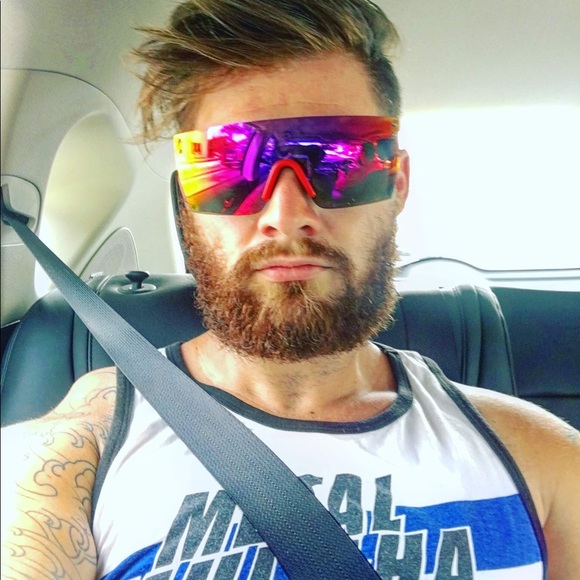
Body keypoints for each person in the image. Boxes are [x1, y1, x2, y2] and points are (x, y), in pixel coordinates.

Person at [1, 1, 578, 578]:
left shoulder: (541, 459)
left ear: (398, 184)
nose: (286, 215)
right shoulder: (78, 449)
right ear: (187, 203)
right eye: (231, 168)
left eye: (338, 161)